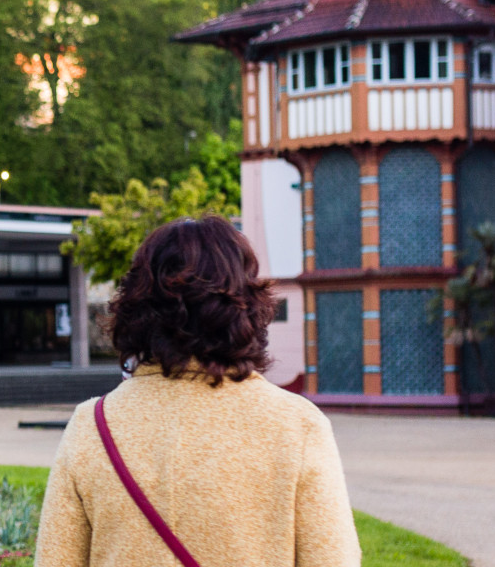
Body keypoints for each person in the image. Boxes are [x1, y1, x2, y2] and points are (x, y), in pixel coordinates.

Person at [34, 216, 358, 567]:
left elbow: (56, 559)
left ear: (137, 306)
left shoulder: (92, 426)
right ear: (247, 303)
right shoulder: (298, 426)